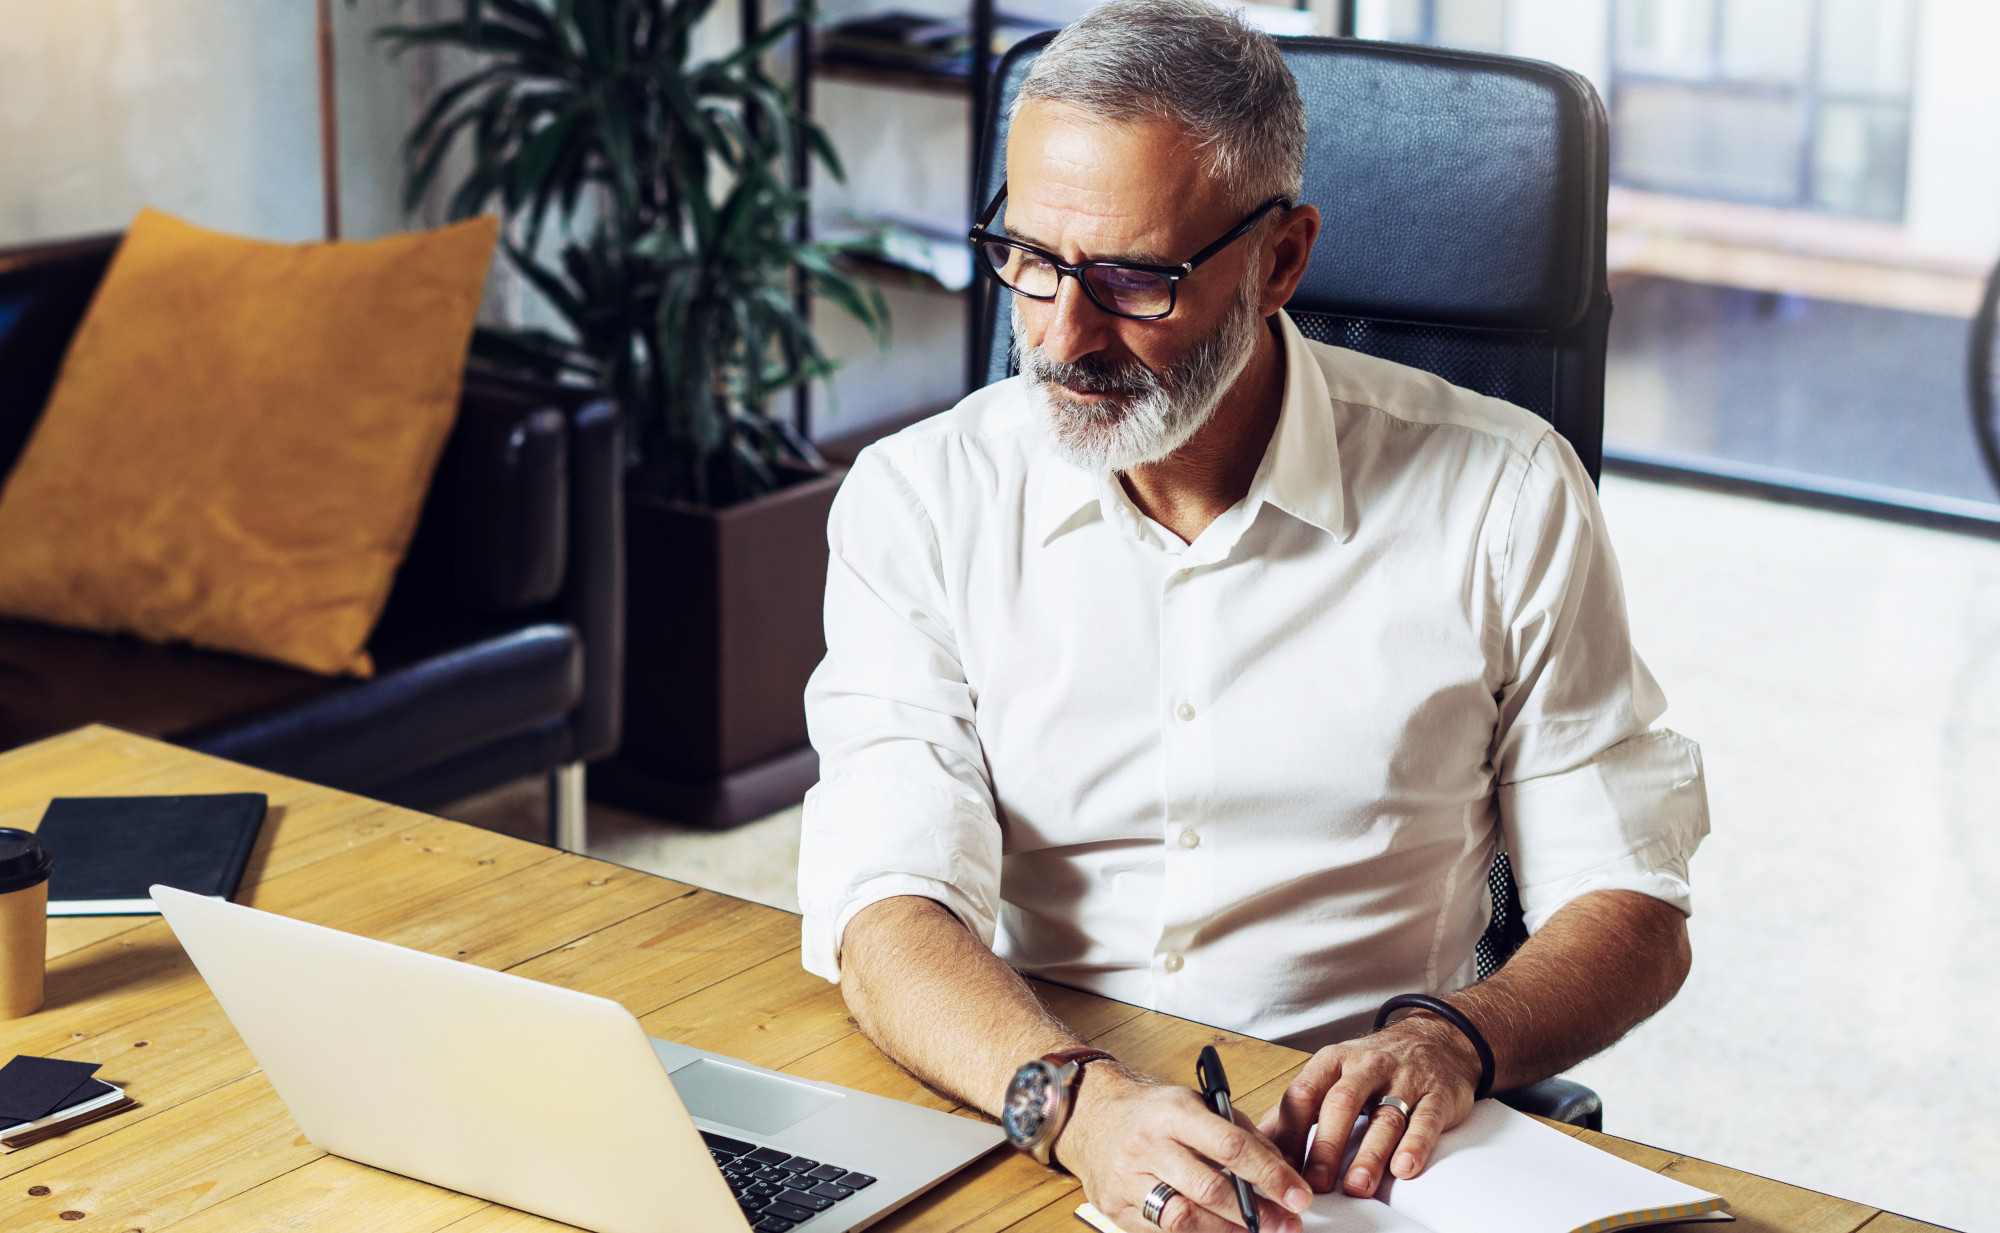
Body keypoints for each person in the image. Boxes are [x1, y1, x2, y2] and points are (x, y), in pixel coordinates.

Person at [797, 4, 1710, 1231]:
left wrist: (1455, 1038)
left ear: (1280, 261)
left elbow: (1630, 903)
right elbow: (882, 902)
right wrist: (1070, 1106)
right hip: (1029, 1098)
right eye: (1030, 260)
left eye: (1131, 279)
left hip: (1352, 1159)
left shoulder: (1501, 492)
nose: (1063, 337)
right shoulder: (919, 499)